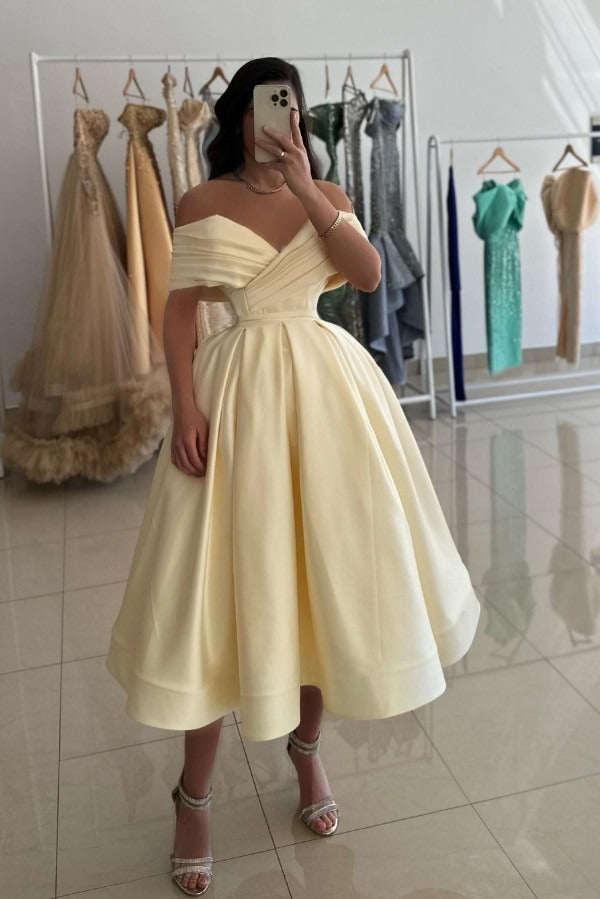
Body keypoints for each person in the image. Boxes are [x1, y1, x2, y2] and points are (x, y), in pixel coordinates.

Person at [106, 57, 480, 896]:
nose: (281, 119)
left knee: (319, 582)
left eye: (293, 107)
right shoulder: (202, 202)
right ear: (240, 118)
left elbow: (368, 275)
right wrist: (185, 405)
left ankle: (307, 754)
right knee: (212, 595)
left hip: (328, 399)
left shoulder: (328, 195)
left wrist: (310, 188)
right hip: (237, 398)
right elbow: (179, 310)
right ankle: (193, 794)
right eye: (267, 107)